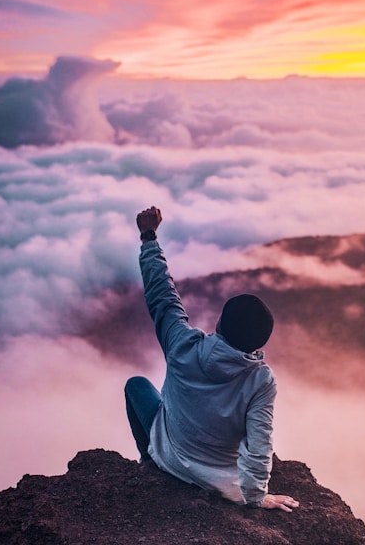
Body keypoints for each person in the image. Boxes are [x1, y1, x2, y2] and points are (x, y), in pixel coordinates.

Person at [124, 206, 299, 512]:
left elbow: (162, 296)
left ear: (220, 324)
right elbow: (260, 446)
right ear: (259, 342)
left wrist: (149, 238)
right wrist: (256, 497)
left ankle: (148, 459)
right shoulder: (261, 380)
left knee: (136, 385)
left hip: (170, 457)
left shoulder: (182, 344)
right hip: (220, 482)